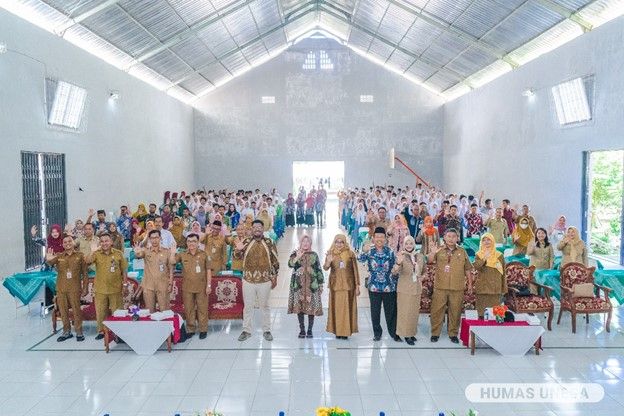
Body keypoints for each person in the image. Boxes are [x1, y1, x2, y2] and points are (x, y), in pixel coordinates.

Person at [235, 219, 279, 342]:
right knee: (248, 307)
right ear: (252, 229)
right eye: (255, 227)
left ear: (263, 228)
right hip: (248, 280)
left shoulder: (269, 242)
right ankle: (246, 330)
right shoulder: (246, 241)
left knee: (264, 306)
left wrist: (275, 277)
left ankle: (267, 330)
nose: (257, 229)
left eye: (260, 226)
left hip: (265, 280)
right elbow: (236, 257)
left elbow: (275, 261)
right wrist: (238, 249)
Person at [428, 229, 472, 343]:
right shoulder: (439, 250)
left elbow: (467, 269)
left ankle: (453, 334)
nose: (451, 238)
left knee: (455, 311)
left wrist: (470, 284)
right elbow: (430, 261)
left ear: (457, 238)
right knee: (437, 311)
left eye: (454, 236)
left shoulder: (462, 252)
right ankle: (435, 333)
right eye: (449, 236)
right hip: (440, 286)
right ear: (444, 237)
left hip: (457, 287)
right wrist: (432, 252)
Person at [359, 227, 400, 342]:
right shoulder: (370, 251)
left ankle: (393, 333)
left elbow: (395, 268)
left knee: (391, 311)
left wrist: (395, 282)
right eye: (377, 237)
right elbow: (360, 259)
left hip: (389, 287)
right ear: (373, 238)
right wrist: (364, 251)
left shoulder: (390, 251)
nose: (379, 239)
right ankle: (377, 333)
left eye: (382, 237)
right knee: (375, 312)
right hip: (374, 287)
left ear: (385, 239)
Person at [45, 234, 88, 342]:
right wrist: (48, 258)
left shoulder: (80, 255)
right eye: (65, 242)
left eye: (69, 241)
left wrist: (85, 288)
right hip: (61, 288)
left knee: (76, 310)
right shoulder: (59, 256)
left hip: (74, 288)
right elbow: (50, 263)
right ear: (62, 245)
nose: (67, 244)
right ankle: (66, 331)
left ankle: (79, 332)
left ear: (73, 243)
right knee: (63, 311)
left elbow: (85, 274)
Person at [86, 233, 128, 340]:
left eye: (107, 241)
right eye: (102, 241)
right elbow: (87, 261)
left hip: (115, 288)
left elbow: (124, 270)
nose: (104, 243)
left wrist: (125, 284)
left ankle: (118, 332)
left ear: (111, 242)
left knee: (117, 311)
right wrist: (92, 250)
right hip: (100, 289)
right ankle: (102, 331)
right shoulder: (96, 254)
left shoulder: (118, 254)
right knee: (101, 312)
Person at [174, 234, 211, 339]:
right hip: (187, 287)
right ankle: (191, 329)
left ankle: (203, 329)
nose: (191, 243)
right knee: (189, 309)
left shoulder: (204, 254)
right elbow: (172, 262)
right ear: (186, 243)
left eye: (194, 241)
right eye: (189, 241)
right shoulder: (182, 255)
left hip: (202, 287)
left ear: (198, 242)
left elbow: (208, 271)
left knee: (202, 308)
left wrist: (208, 285)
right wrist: (172, 252)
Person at [287, 235, 324, 338]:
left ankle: (310, 330)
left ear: (310, 243)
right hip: (298, 285)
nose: (305, 243)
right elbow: (290, 264)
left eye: (308, 241)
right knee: (300, 308)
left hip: (312, 285)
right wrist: (297, 257)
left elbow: (318, 269)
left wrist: (320, 284)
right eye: (303, 241)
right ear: (300, 243)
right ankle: (302, 330)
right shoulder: (295, 253)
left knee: (311, 307)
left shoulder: (314, 255)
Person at [324, 234, 360, 340]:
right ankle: (337, 331)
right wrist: (328, 261)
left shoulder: (350, 254)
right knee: (337, 309)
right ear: (334, 243)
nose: (339, 244)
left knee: (347, 309)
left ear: (345, 243)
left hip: (349, 286)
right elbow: (325, 268)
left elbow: (355, 270)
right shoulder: (331, 253)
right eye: (337, 242)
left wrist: (357, 285)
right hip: (335, 286)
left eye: (341, 242)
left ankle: (345, 332)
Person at [393, 236, 425, 345]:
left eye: (411, 243)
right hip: (404, 289)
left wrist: (422, 276)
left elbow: (424, 270)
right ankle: (406, 334)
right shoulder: (401, 256)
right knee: (405, 312)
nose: (409, 246)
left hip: (416, 289)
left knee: (413, 313)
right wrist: (398, 263)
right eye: (406, 243)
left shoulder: (419, 256)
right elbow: (394, 272)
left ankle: (411, 333)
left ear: (414, 244)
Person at [134, 230, 174, 313]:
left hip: (163, 285)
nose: (154, 240)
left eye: (156, 237)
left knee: (165, 311)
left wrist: (170, 283)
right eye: (152, 238)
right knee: (149, 311)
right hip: (149, 285)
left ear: (160, 238)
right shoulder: (146, 251)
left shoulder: (166, 251)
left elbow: (171, 269)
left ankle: (164, 326)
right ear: (149, 239)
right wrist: (137, 252)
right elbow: (139, 255)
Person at [471, 233, 507, 318]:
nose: (486, 242)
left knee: (496, 315)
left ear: (493, 241)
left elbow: (503, 272)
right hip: (483, 287)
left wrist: (504, 288)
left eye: (488, 240)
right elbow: (476, 267)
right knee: (481, 315)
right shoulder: (479, 254)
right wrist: (484, 258)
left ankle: (495, 330)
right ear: (481, 242)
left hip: (495, 288)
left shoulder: (499, 255)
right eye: (484, 240)